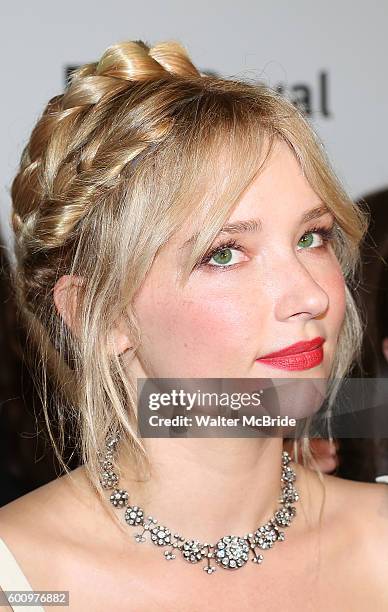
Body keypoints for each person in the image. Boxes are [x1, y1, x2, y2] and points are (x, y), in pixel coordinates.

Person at [0, 38, 387, 611]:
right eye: (224, 253)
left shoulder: (379, 542)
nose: (309, 295)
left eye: (312, 237)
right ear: (96, 314)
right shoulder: (22, 583)